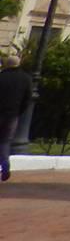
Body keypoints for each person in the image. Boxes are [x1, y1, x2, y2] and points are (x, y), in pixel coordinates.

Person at [0, 55, 33, 183]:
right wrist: (18, 112)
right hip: (12, 115)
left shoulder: (1, 77)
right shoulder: (26, 78)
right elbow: (28, 99)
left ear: (6, 64)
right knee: (4, 141)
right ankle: (5, 164)